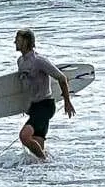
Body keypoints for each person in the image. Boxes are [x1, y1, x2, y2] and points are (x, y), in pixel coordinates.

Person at [14, 27, 75, 159]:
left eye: (18, 40)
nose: (15, 42)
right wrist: (25, 105)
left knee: (24, 136)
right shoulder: (20, 61)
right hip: (34, 107)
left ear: (26, 42)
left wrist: (67, 101)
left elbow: (62, 78)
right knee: (37, 147)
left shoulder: (39, 61)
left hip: (45, 106)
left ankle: (45, 161)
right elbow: (26, 86)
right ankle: (45, 168)